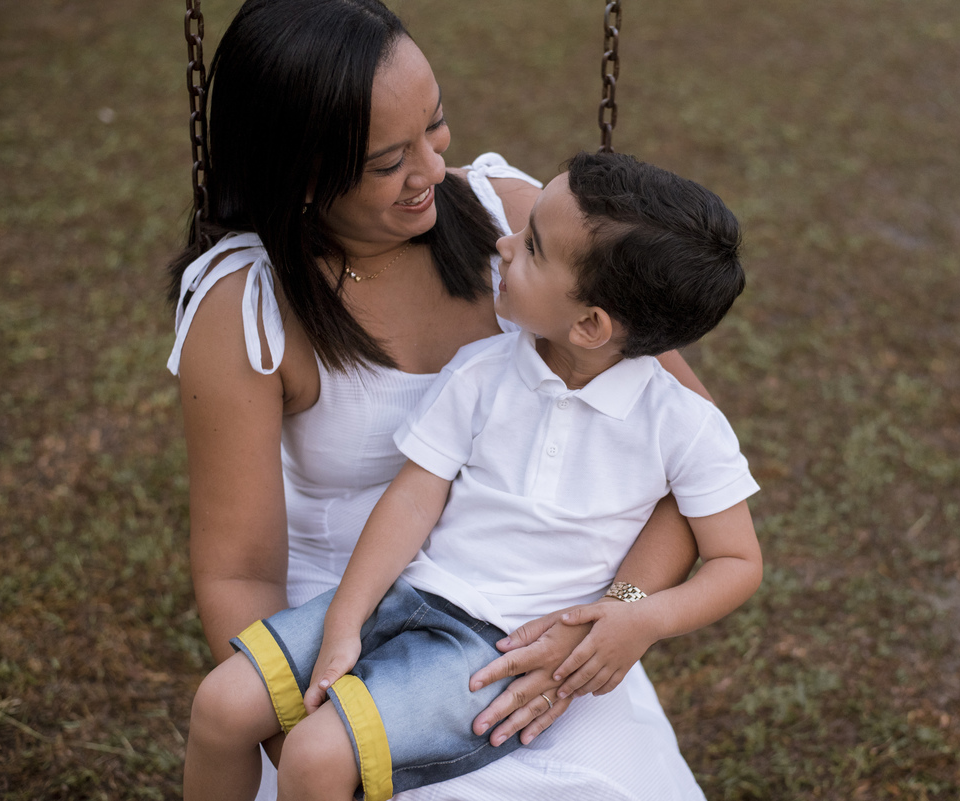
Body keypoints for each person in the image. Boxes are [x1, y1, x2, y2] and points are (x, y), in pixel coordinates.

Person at [167, 1, 733, 798]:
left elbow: (686, 469)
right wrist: (313, 741)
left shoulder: (525, 220)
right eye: (387, 161)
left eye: (435, 127)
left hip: (537, 626)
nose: (435, 171)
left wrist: (615, 615)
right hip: (349, 611)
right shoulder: (247, 307)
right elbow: (240, 573)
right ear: (300, 175)